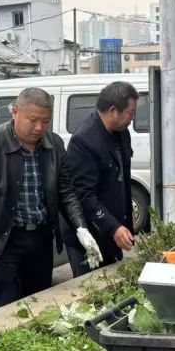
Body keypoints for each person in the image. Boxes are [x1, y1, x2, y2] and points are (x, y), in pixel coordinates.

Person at [0, 87, 102, 310]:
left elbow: (66, 190)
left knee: (39, 307)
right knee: (2, 310)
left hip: (40, 240)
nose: (39, 128)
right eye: (33, 120)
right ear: (15, 112)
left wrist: (81, 228)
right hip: (3, 241)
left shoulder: (54, 145)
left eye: (45, 121)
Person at [64, 81, 138, 277]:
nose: (133, 118)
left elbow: (123, 178)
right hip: (89, 235)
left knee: (116, 286)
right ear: (114, 111)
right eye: (131, 112)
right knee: (92, 295)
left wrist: (126, 219)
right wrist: (113, 227)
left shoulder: (122, 134)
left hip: (112, 231)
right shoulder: (84, 141)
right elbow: (84, 196)